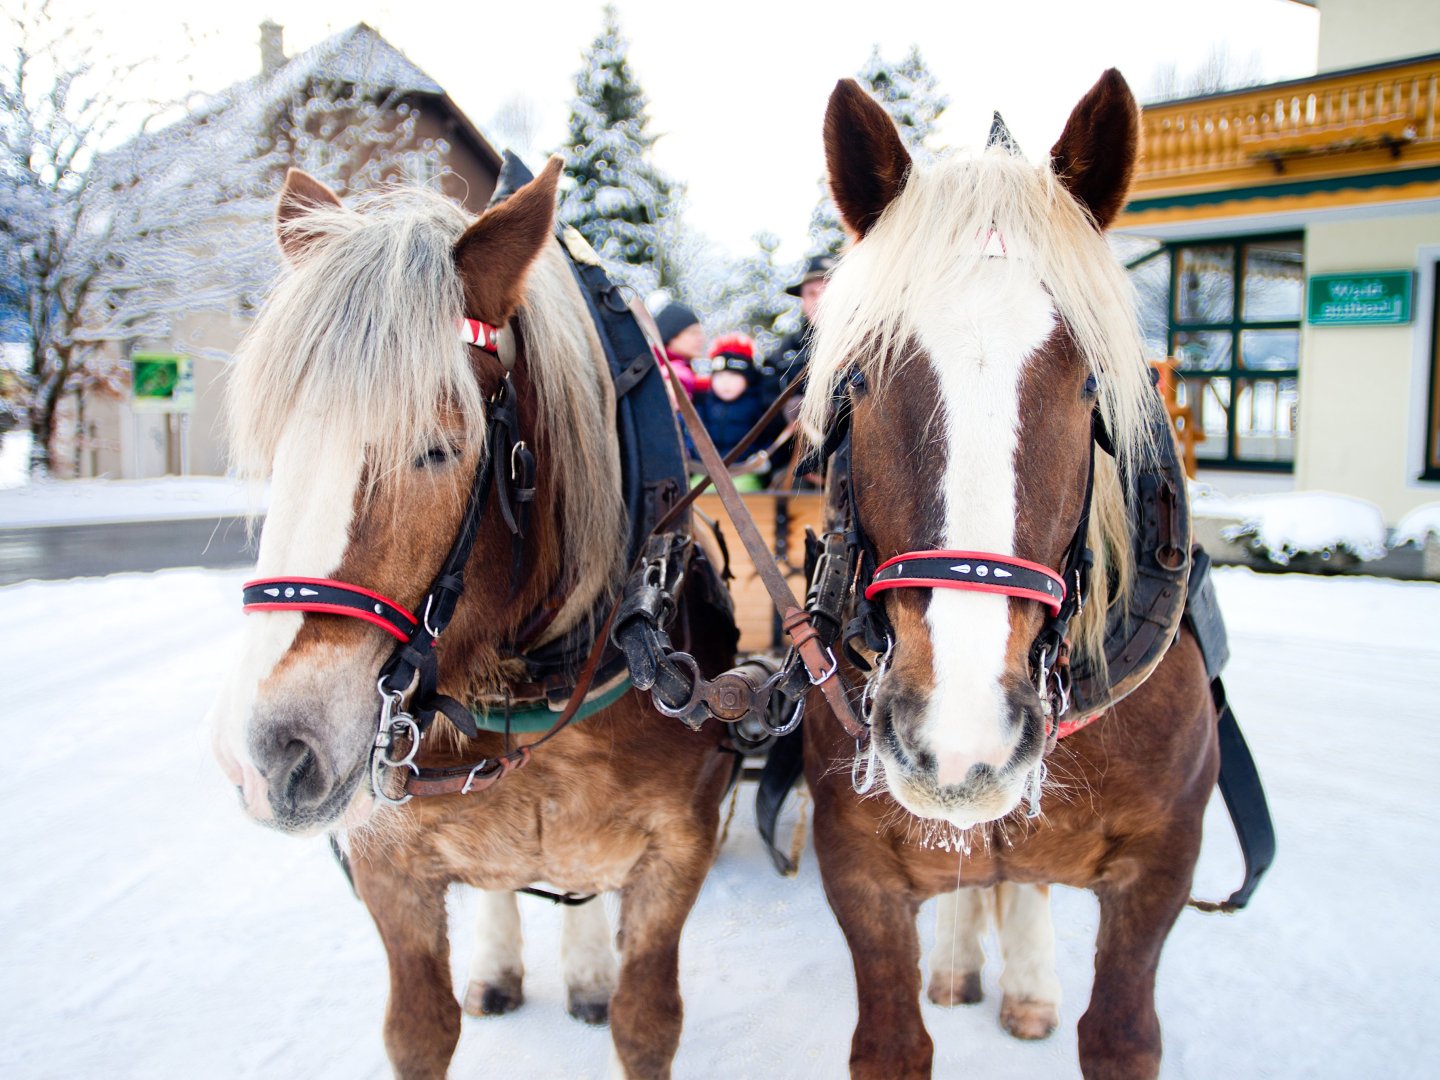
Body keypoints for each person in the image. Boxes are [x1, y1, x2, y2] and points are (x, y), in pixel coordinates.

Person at [760, 253, 835, 485]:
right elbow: (763, 402)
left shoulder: (867, 346)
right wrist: (784, 409)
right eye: (812, 294)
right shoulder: (783, 353)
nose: (819, 301)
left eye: (827, 292)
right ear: (802, 300)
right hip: (792, 464)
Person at [694, 333, 776, 492]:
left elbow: (769, 437)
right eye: (719, 376)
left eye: (733, 376)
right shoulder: (703, 403)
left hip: (745, 472)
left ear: (748, 378)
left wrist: (766, 458)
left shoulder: (758, 404)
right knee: (694, 492)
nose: (725, 382)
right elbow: (693, 436)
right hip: (706, 471)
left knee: (739, 491)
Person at [653, 302, 709, 399]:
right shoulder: (661, 374)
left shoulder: (685, 369)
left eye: (700, 333)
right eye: (693, 333)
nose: (701, 339)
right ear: (671, 336)